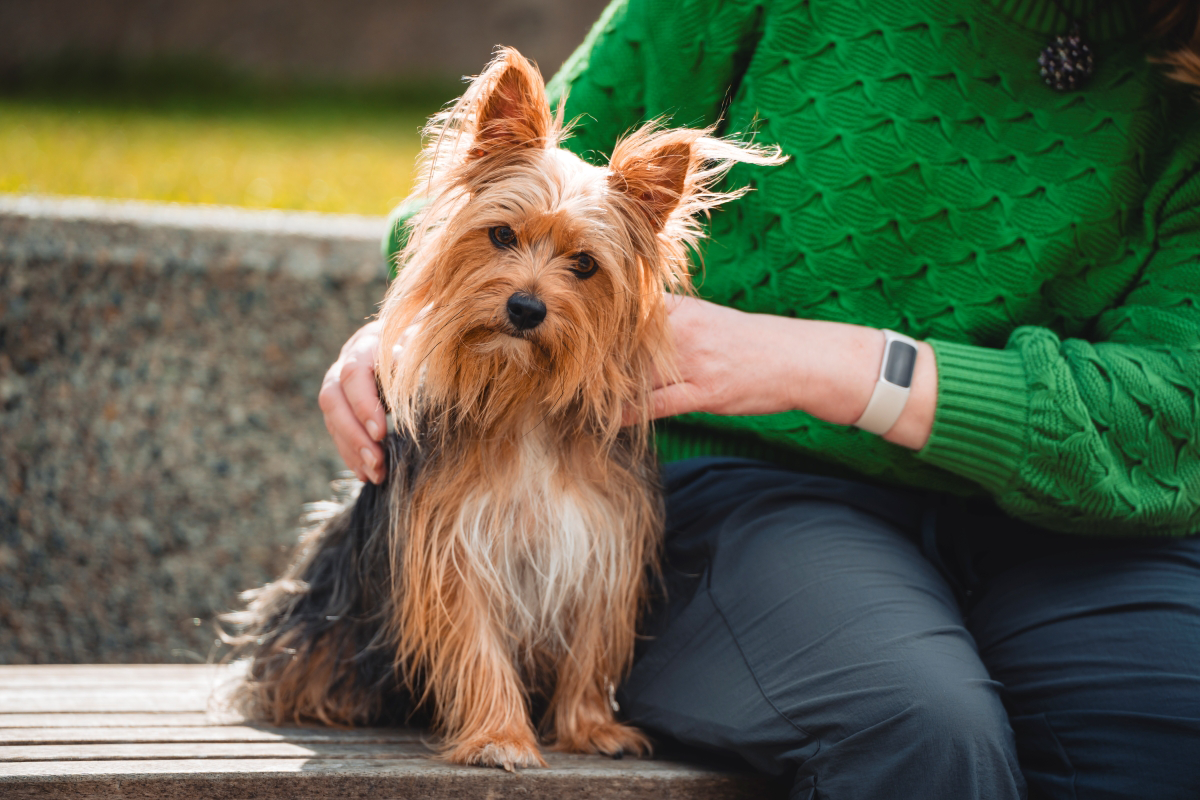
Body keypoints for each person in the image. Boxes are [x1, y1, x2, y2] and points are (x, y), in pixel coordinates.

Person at [318, 0, 1200, 797]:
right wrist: (410, 322)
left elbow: (1176, 414)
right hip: (755, 481)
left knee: (1164, 733)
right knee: (919, 738)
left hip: (1089, 519)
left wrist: (825, 364)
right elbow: (491, 190)